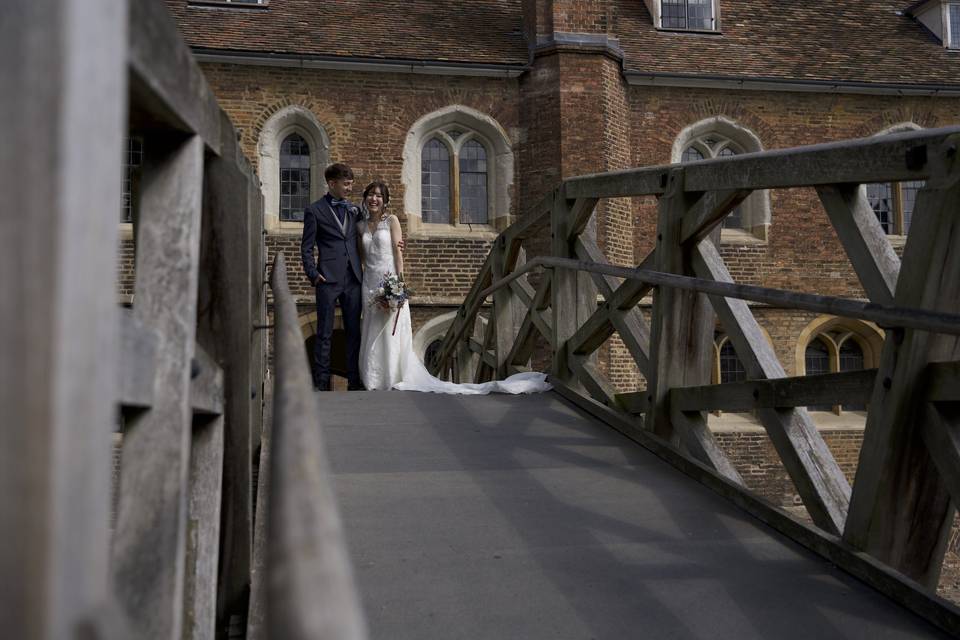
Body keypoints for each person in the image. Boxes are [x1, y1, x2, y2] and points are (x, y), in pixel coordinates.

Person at [357, 180, 551, 395]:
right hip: (369, 284)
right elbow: (363, 258)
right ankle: (373, 377)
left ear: (385, 201)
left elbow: (397, 253)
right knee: (372, 328)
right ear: (365, 198)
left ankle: (392, 377)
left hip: (389, 280)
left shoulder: (391, 221)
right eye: (370, 195)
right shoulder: (361, 226)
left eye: (379, 196)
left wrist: (399, 285)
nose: (374, 199)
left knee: (391, 330)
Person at [301, 163, 364, 391]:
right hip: (327, 279)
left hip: (354, 278)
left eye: (351, 184)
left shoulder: (355, 210)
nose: (349, 188)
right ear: (332, 183)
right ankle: (321, 384)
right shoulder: (314, 210)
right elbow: (306, 247)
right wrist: (313, 274)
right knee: (324, 333)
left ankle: (354, 382)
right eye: (346, 184)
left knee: (354, 332)